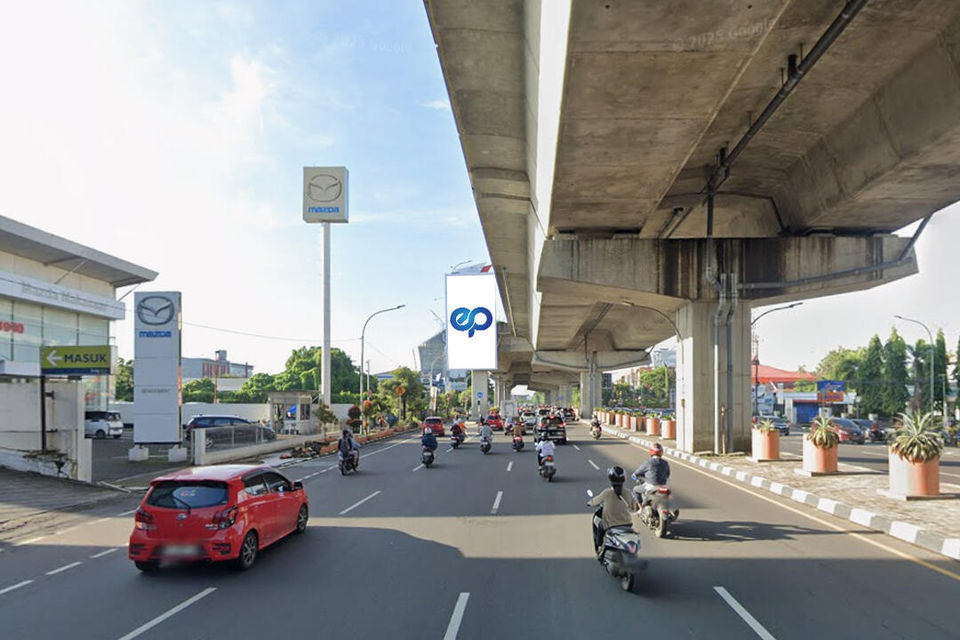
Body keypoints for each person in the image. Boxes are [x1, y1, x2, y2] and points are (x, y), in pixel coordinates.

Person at [588, 466, 638, 555]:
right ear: (624, 478)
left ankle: (599, 546)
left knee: (600, 524)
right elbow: (634, 507)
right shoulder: (628, 492)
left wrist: (590, 503)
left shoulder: (606, 493)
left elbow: (595, 501)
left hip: (610, 524)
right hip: (627, 523)